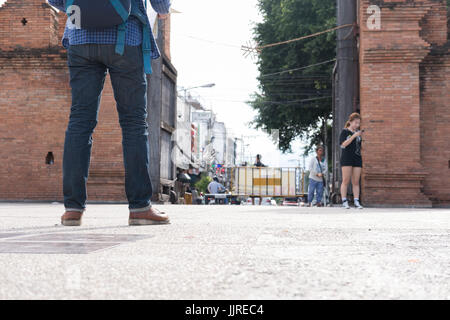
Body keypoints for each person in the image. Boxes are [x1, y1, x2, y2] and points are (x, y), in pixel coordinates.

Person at [48, 0, 172, 226]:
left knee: (79, 121)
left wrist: (85, 11)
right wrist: (163, 11)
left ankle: (73, 209)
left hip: (80, 37)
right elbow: (161, 4)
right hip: (124, 38)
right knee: (134, 123)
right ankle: (139, 208)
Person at [339, 112, 364, 209]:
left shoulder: (358, 133)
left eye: (358, 123)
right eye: (355, 123)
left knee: (356, 181)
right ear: (350, 122)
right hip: (347, 158)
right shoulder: (345, 132)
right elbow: (343, 144)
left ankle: (356, 201)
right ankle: (344, 201)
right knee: (345, 180)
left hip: (357, 158)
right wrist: (353, 136)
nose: (357, 125)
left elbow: (359, 146)